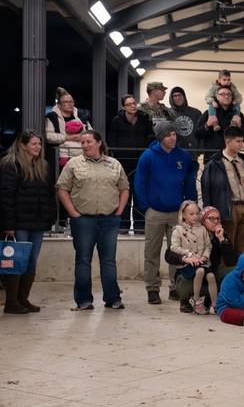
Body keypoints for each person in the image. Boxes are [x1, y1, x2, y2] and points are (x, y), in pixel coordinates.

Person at [55, 130, 129, 310]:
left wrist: (118, 212)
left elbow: (124, 188)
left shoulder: (114, 164)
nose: (85, 145)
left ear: (98, 143)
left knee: (109, 261)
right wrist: (73, 213)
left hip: (110, 221)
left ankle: (113, 298)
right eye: (82, 143)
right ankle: (83, 300)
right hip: (83, 221)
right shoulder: (73, 164)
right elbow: (62, 188)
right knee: (83, 260)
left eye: (88, 142)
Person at [134, 123, 197, 304]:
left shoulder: (183, 156)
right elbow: (139, 184)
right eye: (169, 135)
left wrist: (189, 206)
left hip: (178, 213)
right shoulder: (148, 156)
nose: (173, 137)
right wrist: (147, 208)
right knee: (151, 252)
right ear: (160, 137)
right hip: (155, 212)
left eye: (174, 134)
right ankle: (152, 289)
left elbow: (189, 183)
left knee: (178, 252)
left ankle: (175, 287)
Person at [0, 130, 56, 314]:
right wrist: (8, 224)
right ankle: (11, 302)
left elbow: (49, 194)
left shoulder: (43, 166)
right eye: (34, 144)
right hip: (18, 222)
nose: (38, 147)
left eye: (39, 144)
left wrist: (51, 215)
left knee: (31, 260)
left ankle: (23, 299)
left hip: (37, 222)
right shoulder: (10, 165)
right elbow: (6, 196)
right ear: (23, 145)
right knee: (17, 260)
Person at [164, 206, 238, 314]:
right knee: (189, 282)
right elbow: (169, 254)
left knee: (233, 270)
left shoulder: (220, 235)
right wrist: (185, 258)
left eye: (218, 219)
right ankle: (186, 300)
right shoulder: (190, 231)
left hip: (210, 270)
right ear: (203, 220)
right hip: (192, 271)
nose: (216, 222)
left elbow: (231, 261)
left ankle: (213, 302)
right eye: (211, 219)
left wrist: (222, 239)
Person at [201, 125, 244, 255]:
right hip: (227, 209)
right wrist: (210, 216)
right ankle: (227, 274)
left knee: (242, 248)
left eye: (242, 141)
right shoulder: (215, 164)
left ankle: (240, 273)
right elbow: (207, 191)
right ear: (228, 141)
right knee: (227, 247)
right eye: (238, 141)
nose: (241, 144)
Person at [107, 94, 154, 234]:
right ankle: (123, 225)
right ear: (123, 107)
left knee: (140, 193)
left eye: (134, 103)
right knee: (124, 193)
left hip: (141, 161)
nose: (133, 106)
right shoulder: (117, 121)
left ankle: (140, 226)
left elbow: (150, 136)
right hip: (123, 162)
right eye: (129, 104)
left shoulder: (145, 118)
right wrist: (117, 155)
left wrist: (147, 152)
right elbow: (112, 140)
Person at [169, 200, 214, 314]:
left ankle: (215, 304)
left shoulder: (202, 229)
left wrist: (204, 257)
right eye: (191, 214)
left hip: (202, 262)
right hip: (188, 264)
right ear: (183, 215)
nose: (195, 216)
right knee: (199, 271)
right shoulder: (178, 230)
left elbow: (208, 246)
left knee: (211, 276)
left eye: (197, 213)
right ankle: (196, 299)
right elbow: (174, 247)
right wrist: (189, 255)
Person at [45, 87, 92, 167]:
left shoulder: (80, 117)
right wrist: (67, 138)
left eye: (71, 102)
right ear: (59, 105)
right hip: (60, 160)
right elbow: (48, 136)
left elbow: (91, 133)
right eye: (65, 102)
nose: (69, 104)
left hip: (82, 159)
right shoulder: (52, 117)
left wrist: (84, 138)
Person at [194, 86, 244, 152]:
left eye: (229, 94)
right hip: (212, 157)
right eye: (223, 94)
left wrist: (240, 126)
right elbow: (197, 134)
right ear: (217, 97)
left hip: (231, 156)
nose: (226, 97)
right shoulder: (208, 113)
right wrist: (207, 125)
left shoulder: (238, 115)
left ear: (232, 97)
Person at [167, 87, 203, 156]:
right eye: (175, 96)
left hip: (192, 153)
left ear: (184, 96)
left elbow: (201, 132)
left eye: (180, 95)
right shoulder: (167, 113)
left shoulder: (196, 113)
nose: (178, 98)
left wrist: (200, 149)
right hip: (173, 152)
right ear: (171, 98)